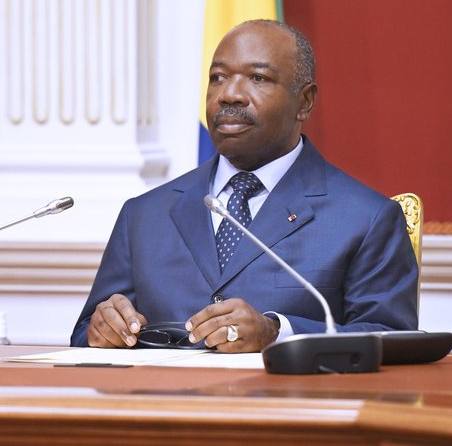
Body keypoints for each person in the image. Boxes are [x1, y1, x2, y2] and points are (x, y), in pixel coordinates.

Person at [70, 19, 418, 353]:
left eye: (258, 78)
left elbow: (392, 338)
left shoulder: (366, 218)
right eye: (218, 77)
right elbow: (85, 333)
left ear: (305, 102)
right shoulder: (143, 215)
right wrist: (102, 329)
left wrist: (278, 334)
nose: (230, 94)